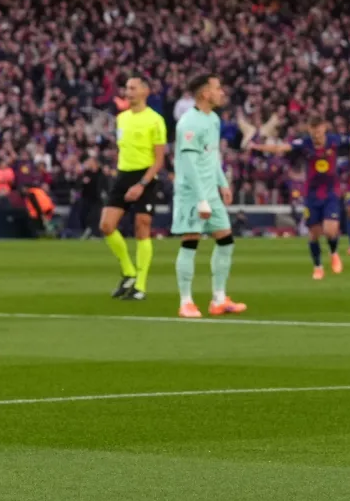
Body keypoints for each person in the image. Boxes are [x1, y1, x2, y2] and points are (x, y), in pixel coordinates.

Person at [249, 117, 350, 279]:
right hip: (312, 195)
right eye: (313, 132)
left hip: (331, 193)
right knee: (314, 234)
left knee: (330, 230)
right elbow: (280, 148)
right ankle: (318, 266)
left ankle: (334, 253)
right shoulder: (304, 144)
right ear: (309, 130)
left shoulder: (334, 141)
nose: (316, 136)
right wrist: (258, 146)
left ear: (324, 128)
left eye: (318, 132)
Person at [171, 74, 245, 318]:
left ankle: (219, 299)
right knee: (191, 241)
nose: (222, 92)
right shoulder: (189, 123)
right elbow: (190, 163)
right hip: (192, 193)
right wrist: (202, 198)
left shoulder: (212, 119)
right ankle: (186, 302)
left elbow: (211, 156)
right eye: (217, 88)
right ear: (204, 94)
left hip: (210, 191)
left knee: (225, 240)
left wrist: (222, 183)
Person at [100, 77, 166, 301]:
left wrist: (141, 185)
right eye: (126, 88)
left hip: (145, 175)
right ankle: (128, 271)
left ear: (145, 92)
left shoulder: (155, 120)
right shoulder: (122, 119)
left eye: (133, 88)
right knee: (107, 225)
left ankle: (140, 285)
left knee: (142, 226)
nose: (128, 92)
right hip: (123, 175)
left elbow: (158, 160)